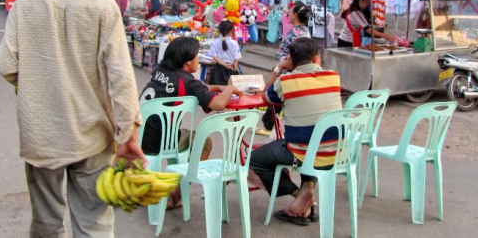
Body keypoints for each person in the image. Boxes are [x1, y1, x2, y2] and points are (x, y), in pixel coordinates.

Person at [0, 0, 144, 238]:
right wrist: (128, 134)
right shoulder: (103, 6)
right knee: (94, 224)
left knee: (47, 225)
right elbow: (120, 77)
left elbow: (5, 63)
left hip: (42, 135)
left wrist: (34, 84)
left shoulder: (25, 2)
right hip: (93, 135)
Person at [139, 36, 241, 209]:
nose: (199, 60)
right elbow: (218, 104)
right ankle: (174, 194)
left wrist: (215, 88)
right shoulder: (187, 80)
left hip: (139, 134)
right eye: (196, 56)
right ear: (187, 62)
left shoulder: (160, 70)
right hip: (161, 141)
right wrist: (230, 88)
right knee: (204, 143)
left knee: (186, 135)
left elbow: (193, 87)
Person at [249, 37, 342, 225]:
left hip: (301, 152)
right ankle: (306, 192)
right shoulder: (334, 77)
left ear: (291, 60)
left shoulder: (286, 81)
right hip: (337, 151)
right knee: (312, 140)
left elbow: (265, 97)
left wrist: (279, 68)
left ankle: (300, 195)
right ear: (317, 58)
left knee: (254, 159)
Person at [208, 20, 241, 85]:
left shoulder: (215, 42)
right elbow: (236, 58)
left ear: (220, 30)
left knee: (216, 92)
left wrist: (223, 64)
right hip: (230, 70)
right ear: (231, 31)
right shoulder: (234, 43)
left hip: (217, 72)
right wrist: (235, 68)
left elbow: (214, 56)